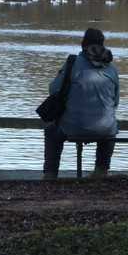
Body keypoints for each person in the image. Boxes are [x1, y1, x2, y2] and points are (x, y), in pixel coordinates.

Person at [43, 27, 119, 180]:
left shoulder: (73, 63)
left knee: (51, 132)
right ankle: (101, 172)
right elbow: (115, 101)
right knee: (109, 131)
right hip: (104, 126)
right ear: (103, 44)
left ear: (83, 44)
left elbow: (54, 89)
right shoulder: (112, 68)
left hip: (73, 125)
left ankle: (50, 175)